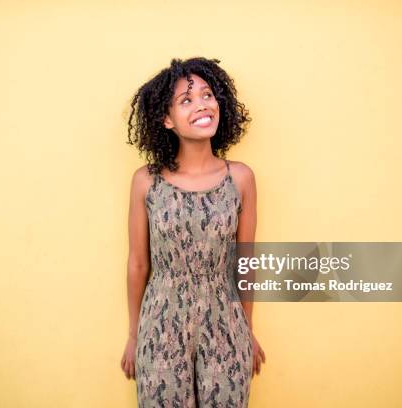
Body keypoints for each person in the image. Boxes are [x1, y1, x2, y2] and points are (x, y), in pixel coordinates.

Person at [120, 57, 266, 407]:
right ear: (166, 119)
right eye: (186, 100)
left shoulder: (241, 178)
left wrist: (246, 331)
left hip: (225, 323)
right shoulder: (146, 181)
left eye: (207, 95)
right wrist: (134, 335)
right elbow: (139, 263)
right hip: (161, 323)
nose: (202, 104)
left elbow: (244, 262)